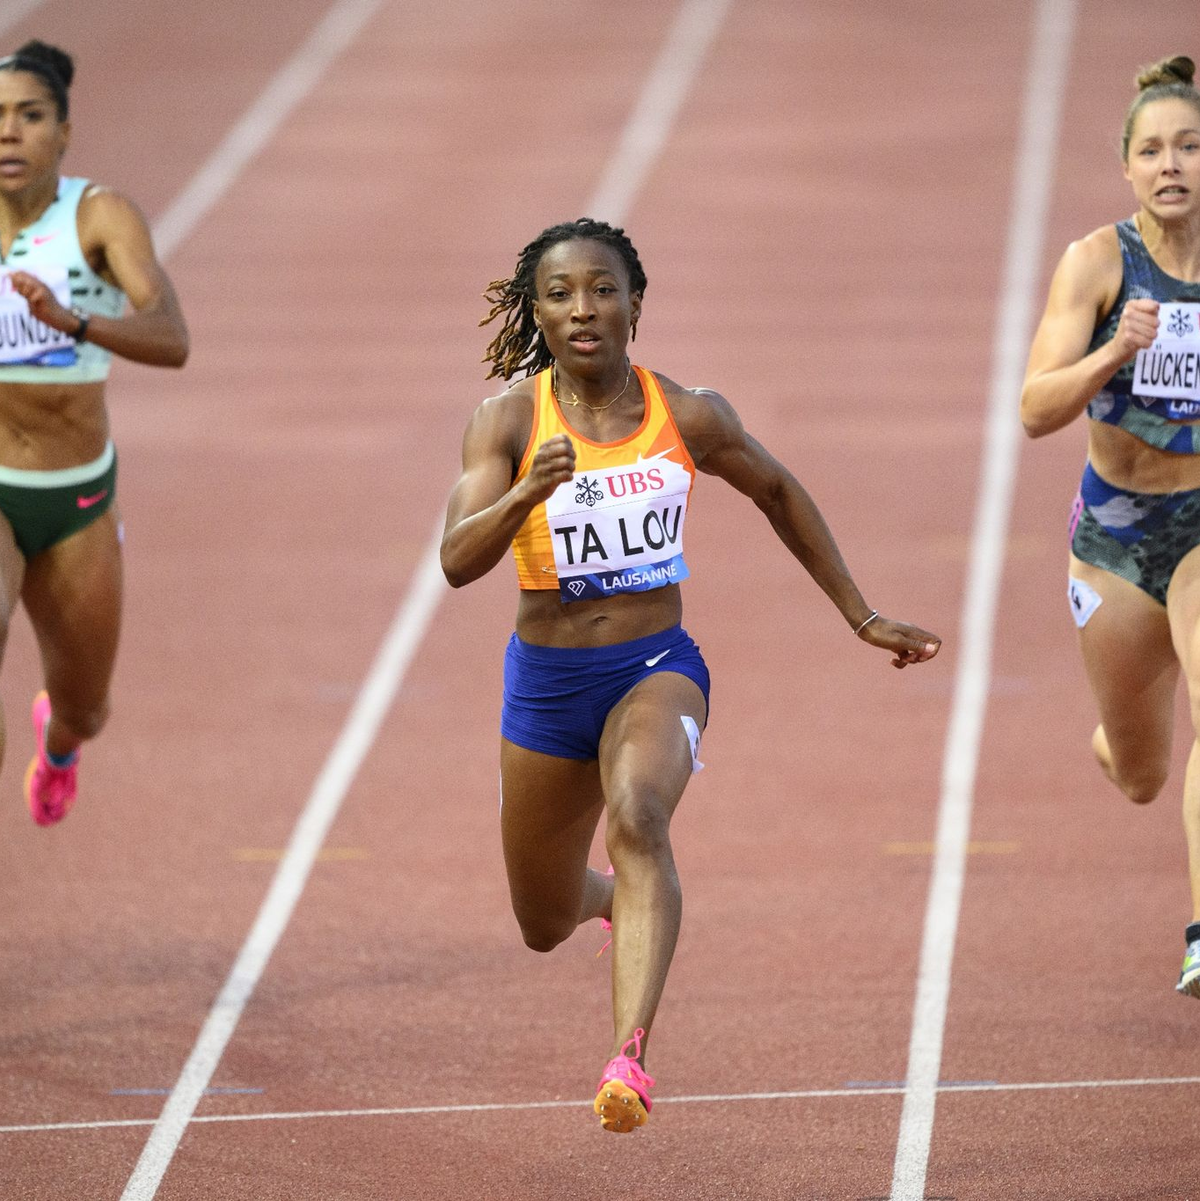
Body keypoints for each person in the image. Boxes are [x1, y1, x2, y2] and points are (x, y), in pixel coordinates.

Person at [440, 217, 941, 1132]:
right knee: (541, 917)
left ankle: (628, 1057)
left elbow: (779, 491)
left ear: (636, 303)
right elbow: (455, 560)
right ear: (537, 313)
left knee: (639, 816)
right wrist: (523, 493)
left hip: (655, 666)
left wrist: (861, 615)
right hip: (548, 684)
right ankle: (612, 905)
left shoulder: (690, 413)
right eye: (559, 293)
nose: (583, 308)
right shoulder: (509, 422)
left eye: (602, 288)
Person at [1021, 55, 1200, 999]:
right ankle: (1117, 734)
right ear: (1128, 168)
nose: (1171, 164)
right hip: (1119, 534)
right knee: (1139, 772)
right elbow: (1033, 409)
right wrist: (1114, 350)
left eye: (1190, 146)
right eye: (1152, 150)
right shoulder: (1098, 263)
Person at [0, 40, 188, 825]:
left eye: (29, 116)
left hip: (75, 498)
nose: (8, 132)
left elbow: (171, 336)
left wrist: (74, 320)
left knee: (87, 704)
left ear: (65, 131)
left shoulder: (97, 216)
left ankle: (61, 746)